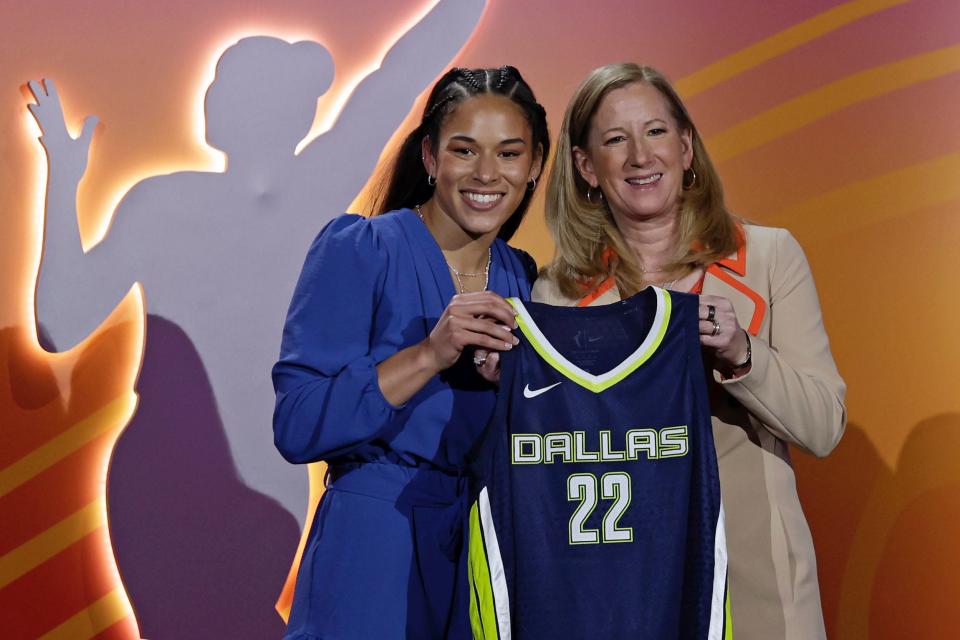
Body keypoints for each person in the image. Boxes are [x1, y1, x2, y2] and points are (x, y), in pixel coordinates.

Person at [533, 62, 846, 639]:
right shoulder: (557, 293)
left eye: (654, 132)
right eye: (614, 140)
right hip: (623, 596)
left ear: (685, 147)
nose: (639, 157)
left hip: (761, 593)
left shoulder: (770, 257)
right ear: (586, 167)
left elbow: (824, 424)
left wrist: (742, 355)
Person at [272, 66, 549, 639]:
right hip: (375, 543)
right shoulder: (362, 249)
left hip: (483, 550)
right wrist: (429, 353)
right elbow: (297, 424)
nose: (487, 174)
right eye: (464, 150)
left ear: (535, 166)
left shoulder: (525, 278)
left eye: (509, 154)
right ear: (429, 157)